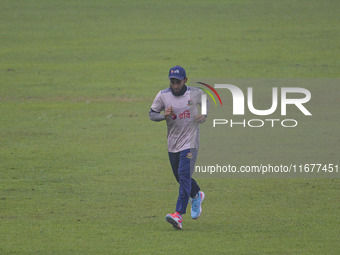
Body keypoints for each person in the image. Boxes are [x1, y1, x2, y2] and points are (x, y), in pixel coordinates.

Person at [149, 65, 208, 230]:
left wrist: (204, 115)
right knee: (180, 177)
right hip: (173, 143)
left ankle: (178, 215)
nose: (175, 85)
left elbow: (206, 102)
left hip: (190, 142)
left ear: (185, 80)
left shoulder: (194, 93)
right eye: (172, 81)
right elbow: (151, 114)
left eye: (178, 82)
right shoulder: (163, 96)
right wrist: (164, 116)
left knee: (183, 175)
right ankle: (196, 195)